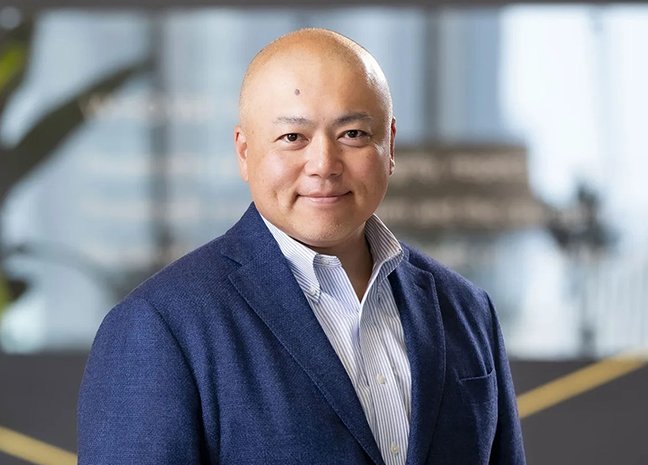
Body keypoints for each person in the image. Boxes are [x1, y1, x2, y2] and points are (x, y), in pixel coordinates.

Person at [77, 28, 526, 465]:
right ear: (244, 152)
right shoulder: (160, 326)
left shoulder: (467, 310)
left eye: (353, 134)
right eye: (293, 138)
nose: (324, 164)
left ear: (389, 145)